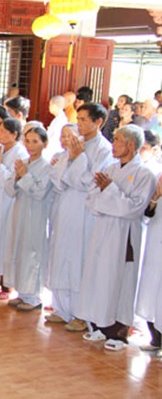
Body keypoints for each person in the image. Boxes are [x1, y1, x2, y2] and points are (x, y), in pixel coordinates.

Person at [76, 125, 156, 351]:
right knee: (98, 277)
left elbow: (134, 208)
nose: (113, 144)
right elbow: (92, 200)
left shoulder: (144, 174)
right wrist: (109, 197)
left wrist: (110, 191)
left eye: (118, 140)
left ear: (131, 144)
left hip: (124, 235)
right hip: (103, 230)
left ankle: (118, 333)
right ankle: (99, 326)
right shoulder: (109, 169)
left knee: (119, 280)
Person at [57, 103, 114, 332]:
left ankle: (82, 314)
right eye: (78, 119)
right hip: (66, 204)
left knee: (81, 259)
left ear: (98, 122)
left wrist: (78, 158)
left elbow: (89, 181)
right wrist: (72, 160)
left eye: (83, 120)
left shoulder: (104, 149)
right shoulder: (75, 143)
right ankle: (63, 308)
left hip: (86, 209)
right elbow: (60, 177)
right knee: (63, 255)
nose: (79, 124)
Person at [4, 127, 52, 312]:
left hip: (36, 214)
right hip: (19, 211)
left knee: (32, 251)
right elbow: (9, 190)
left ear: (44, 144)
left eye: (35, 141)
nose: (30, 146)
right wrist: (17, 176)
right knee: (18, 248)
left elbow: (40, 192)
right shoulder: (22, 163)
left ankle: (34, 296)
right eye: (28, 141)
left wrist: (25, 176)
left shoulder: (47, 167)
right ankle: (22, 292)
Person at [0, 118, 29, 299]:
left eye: (3, 131)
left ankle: (7, 285)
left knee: (4, 239)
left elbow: (12, 181)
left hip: (8, 200)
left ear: (14, 134)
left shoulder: (20, 153)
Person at [46, 124, 86, 324]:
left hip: (78, 212)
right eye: (62, 136)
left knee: (73, 261)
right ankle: (60, 308)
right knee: (58, 257)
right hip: (60, 211)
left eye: (70, 136)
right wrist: (63, 165)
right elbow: (57, 181)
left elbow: (76, 180)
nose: (65, 139)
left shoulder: (83, 156)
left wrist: (72, 162)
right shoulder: (59, 157)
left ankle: (75, 310)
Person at [135, 171, 162, 354]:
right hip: (155, 241)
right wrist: (155, 197)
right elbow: (148, 213)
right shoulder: (159, 176)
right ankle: (156, 339)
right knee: (151, 290)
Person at [45, 95, 68, 159]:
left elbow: (55, 138)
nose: (49, 107)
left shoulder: (61, 120)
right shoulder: (58, 118)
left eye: (50, 105)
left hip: (54, 150)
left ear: (54, 106)